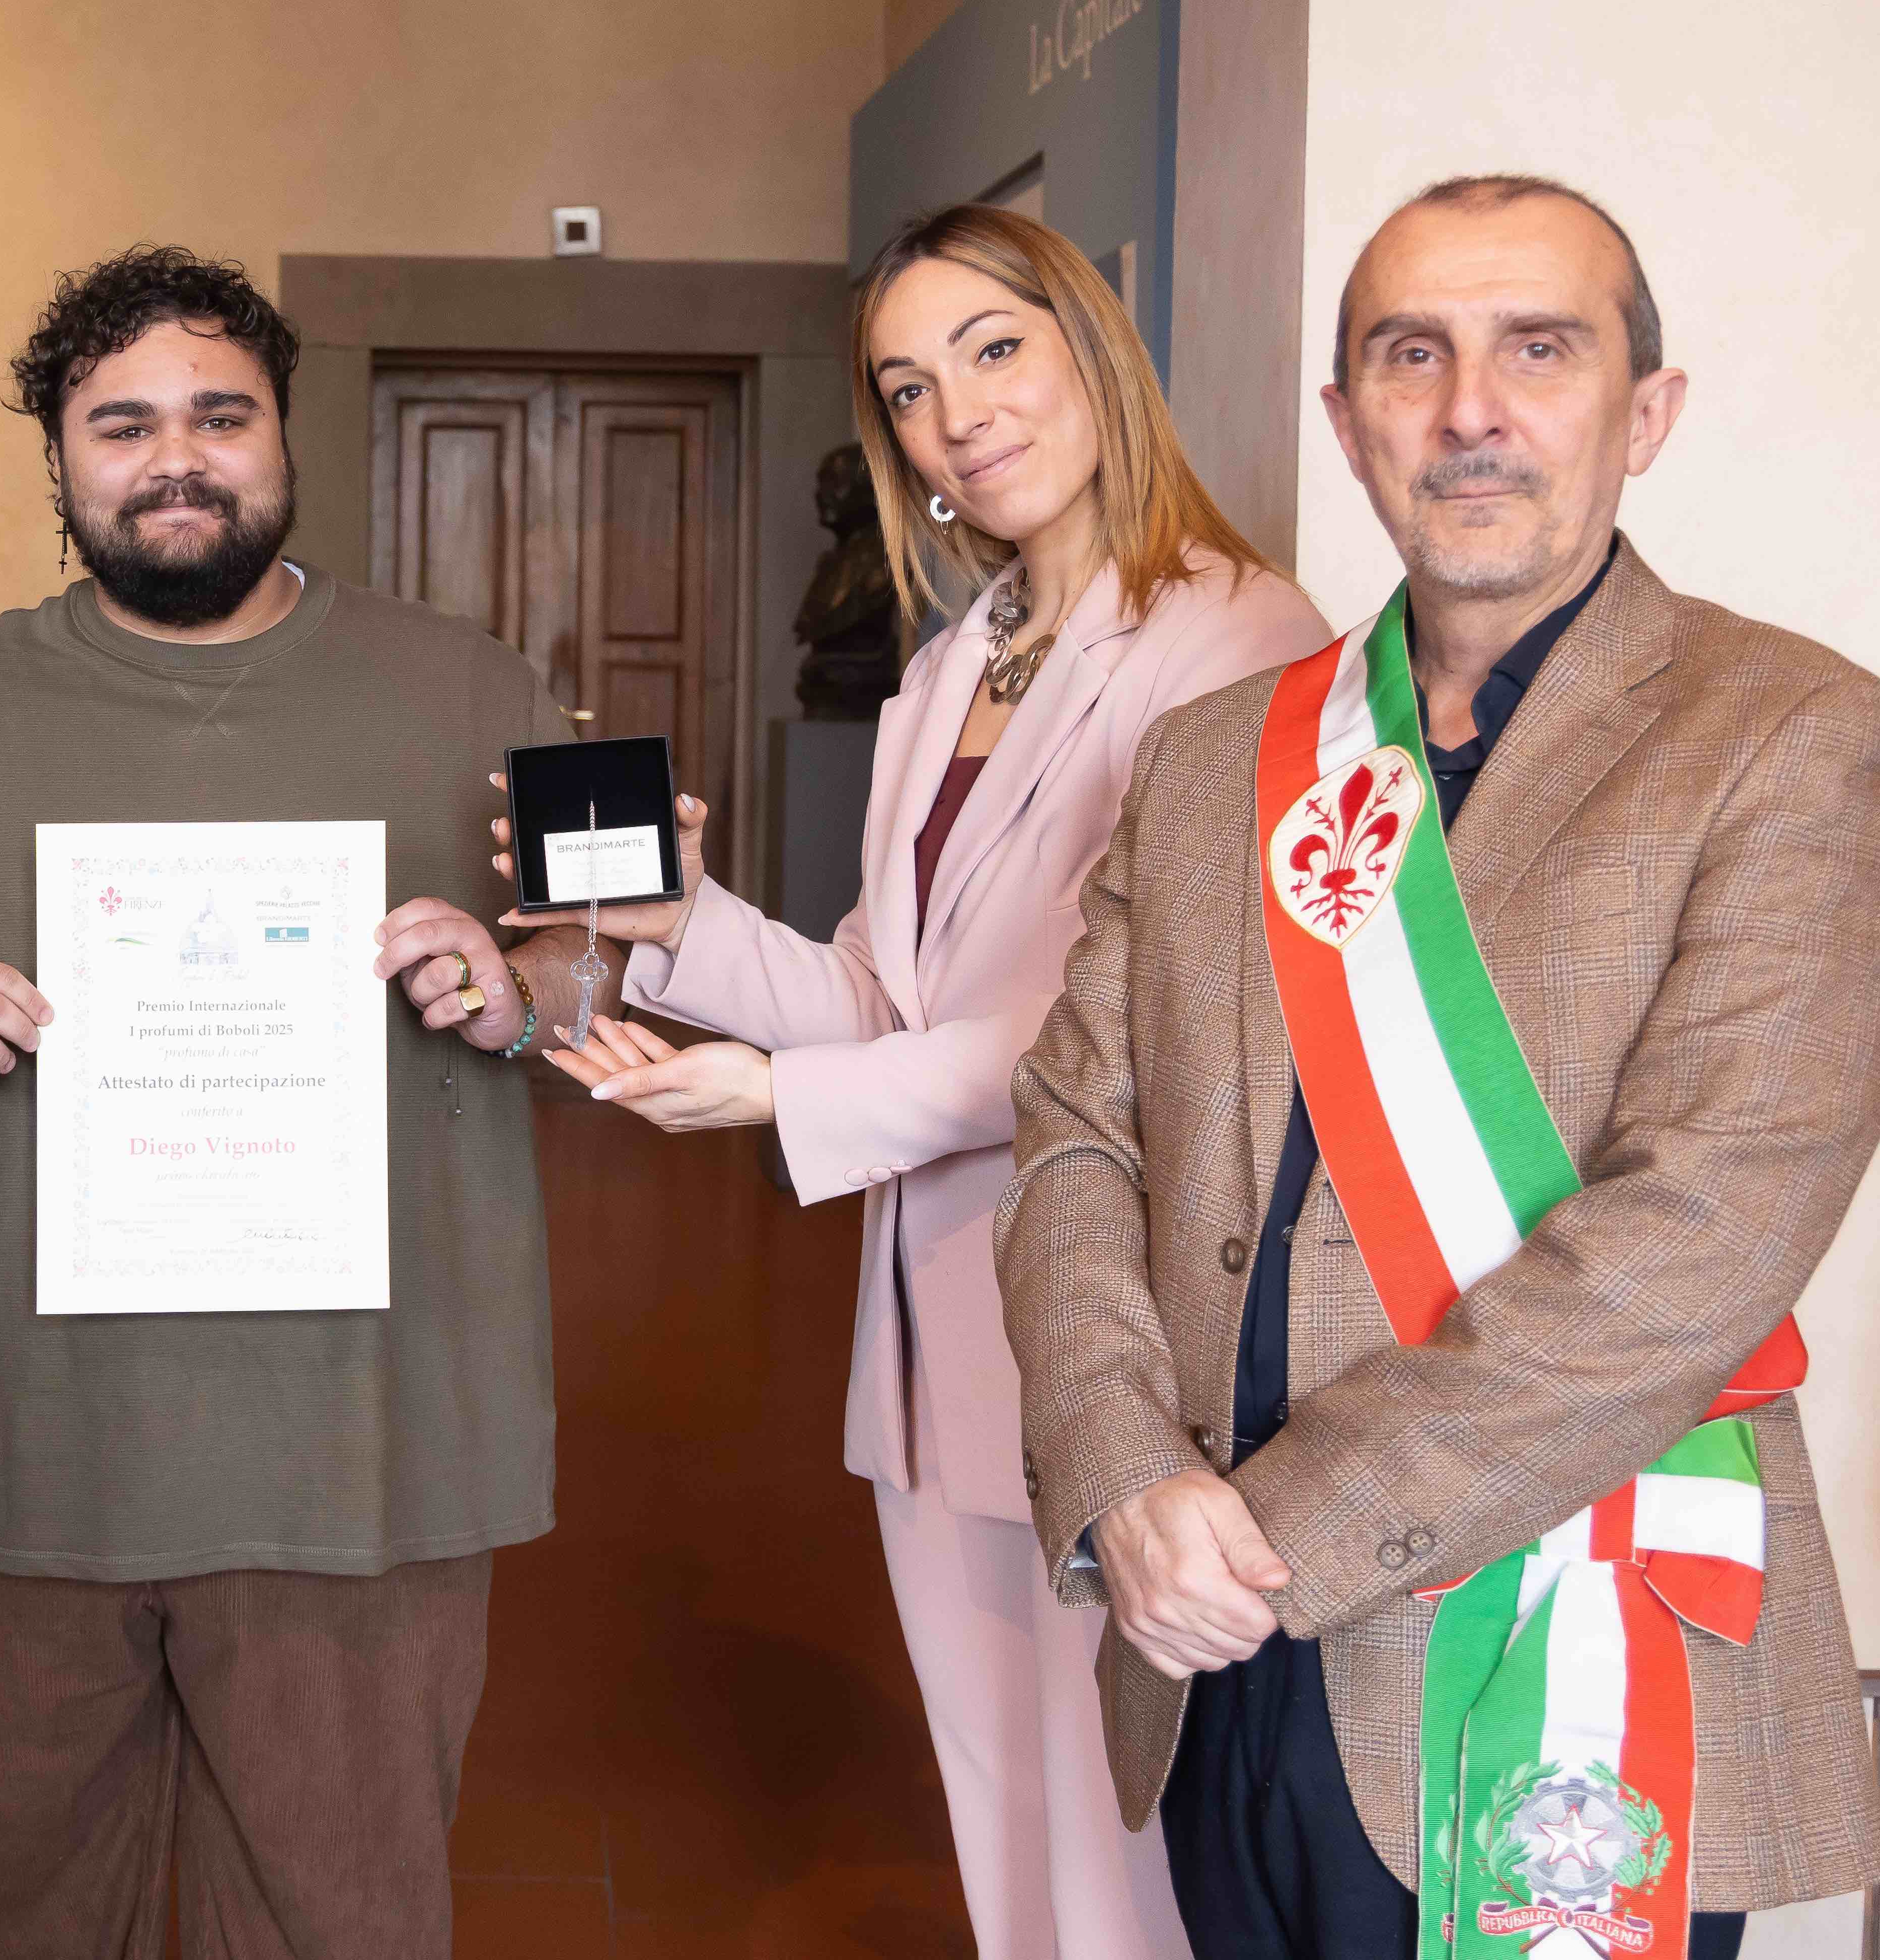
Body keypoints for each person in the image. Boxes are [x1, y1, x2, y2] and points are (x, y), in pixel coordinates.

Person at [999, 175, 1880, 1960]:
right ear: (1346, 421)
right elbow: (1071, 1139)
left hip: (1562, 1635)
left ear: (1645, 413)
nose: (1469, 411)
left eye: (1539, 350)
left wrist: (1269, 1533)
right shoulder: (1212, 760)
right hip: (1211, 1653)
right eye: (1410, 356)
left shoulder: (1800, 739)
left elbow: (1705, 1236)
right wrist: (1122, 1474)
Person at [0, 246, 610, 1957]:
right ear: (60, 462)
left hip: (363, 1464)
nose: (174, 458)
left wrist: (521, 992)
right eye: (120, 424)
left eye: (220, 414)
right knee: (26, 1919)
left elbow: (616, 954)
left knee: (340, 1922)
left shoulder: (478, 686)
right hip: (19, 1454)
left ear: (285, 435)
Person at [520, 205, 1325, 1960]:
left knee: (1121, 1841)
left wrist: (779, 1106)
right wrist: (679, 924)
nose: (956, 415)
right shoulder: (960, 660)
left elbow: (1141, 1028)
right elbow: (883, 995)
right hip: (935, 1322)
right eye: (906, 387)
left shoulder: (1238, 637)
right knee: (1000, 1801)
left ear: (1091, 351)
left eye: (993, 350)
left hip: (1115, 1328)